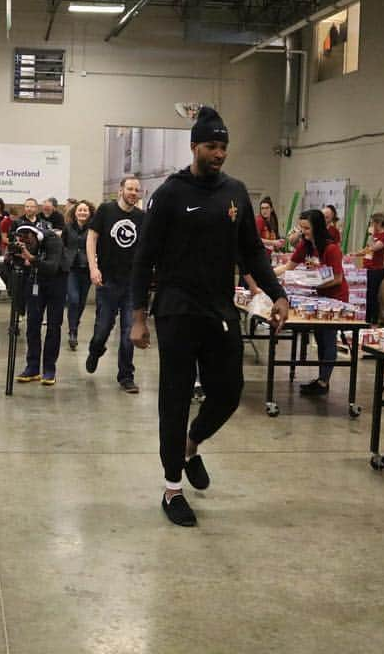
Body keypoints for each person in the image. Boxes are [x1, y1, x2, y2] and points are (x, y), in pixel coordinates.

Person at [130, 106, 289, 528]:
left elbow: (253, 250)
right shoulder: (169, 194)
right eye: (211, 146)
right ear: (194, 146)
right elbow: (144, 259)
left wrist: (278, 294)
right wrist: (138, 317)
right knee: (175, 399)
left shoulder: (236, 192)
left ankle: (191, 443)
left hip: (220, 311)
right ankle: (172, 488)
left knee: (229, 392)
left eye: (223, 147)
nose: (219, 154)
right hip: (177, 312)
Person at [276, 209, 349, 396]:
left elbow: (338, 278)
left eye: (306, 228)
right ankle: (321, 378)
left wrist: (315, 281)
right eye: (301, 228)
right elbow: (288, 267)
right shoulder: (305, 246)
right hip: (318, 296)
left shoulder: (331, 249)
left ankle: (324, 381)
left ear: (317, 227)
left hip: (335, 298)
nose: (303, 232)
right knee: (319, 337)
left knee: (328, 337)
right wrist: (266, 275)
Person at [86, 177, 144, 394]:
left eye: (136, 190)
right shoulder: (105, 210)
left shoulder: (142, 217)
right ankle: (95, 350)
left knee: (129, 332)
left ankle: (126, 376)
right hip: (108, 281)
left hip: (132, 284)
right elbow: (92, 238)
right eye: (129, 188)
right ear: (121, 190)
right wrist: (93, 267)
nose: (132, 192)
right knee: (103, 329)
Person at [14, 224, 68, 385]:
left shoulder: (53, 241)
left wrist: (31, 258)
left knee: (53, 325)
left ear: (35, 236)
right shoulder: (28, 244)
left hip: (56, 283)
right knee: (32, 324)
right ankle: (32, 367)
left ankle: (49, 368)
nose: (28, 245)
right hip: (36, 282)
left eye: (29, 242)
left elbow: (52, 267)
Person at [63, 200, 94, 351]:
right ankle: (73, 331)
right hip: (71, 269)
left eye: (85, 210)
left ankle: (75, 324)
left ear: (90, 213)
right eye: (80, 210)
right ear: (75, 213)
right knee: (73, 300)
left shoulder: (94, 229)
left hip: (87, 269)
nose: (82, 212)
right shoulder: (68, 228)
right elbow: (62, 246)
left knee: (81, 301)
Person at [355, 212, 384, 324]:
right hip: (368, 269)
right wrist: (355, 254)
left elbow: (374, 248)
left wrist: (370, 239)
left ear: (377, 223)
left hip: (376, 270)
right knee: (367, 294)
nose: (371, 225)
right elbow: (366, 250)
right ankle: (366, 317)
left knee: (372, 295)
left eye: (372, 223)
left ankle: (373, 319)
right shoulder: (373, 236)